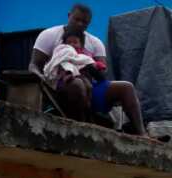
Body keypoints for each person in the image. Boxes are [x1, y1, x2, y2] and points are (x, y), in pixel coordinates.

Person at [29, 4, 148, 136]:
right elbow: (34, 65)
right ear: (69, 16)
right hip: (59, 87)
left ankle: (142, 134)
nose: (80, 24)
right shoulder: (49, 35)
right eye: (76, 19)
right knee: (78, 85)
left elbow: (102, 76)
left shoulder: (95, 42)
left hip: (91, 88)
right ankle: (82, 129)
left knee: (127, 87)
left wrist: (89, 66)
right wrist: (40, 78)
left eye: (84, 22)